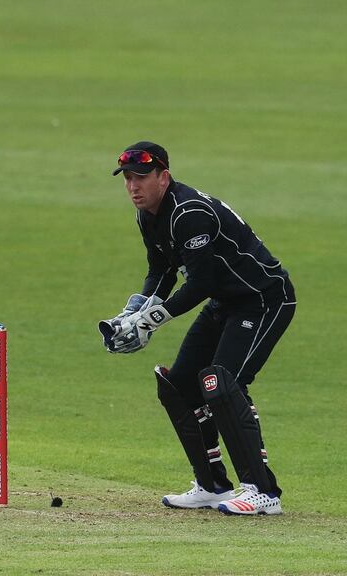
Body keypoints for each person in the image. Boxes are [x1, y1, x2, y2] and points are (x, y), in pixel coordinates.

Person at [98, 142, 295, 516]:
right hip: (226, 302)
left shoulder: (189, 213)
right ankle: (212, 485)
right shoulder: (148, 215)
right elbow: (161, 272)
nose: (133, 186)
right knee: (181, 386)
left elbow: (200, 282)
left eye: (141, 177)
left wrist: (152, 321)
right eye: (127, 178)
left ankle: (263, 491)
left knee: (222, 383)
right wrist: (134, 312)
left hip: (263, 298)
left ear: (164, 176)